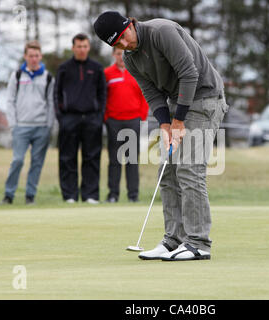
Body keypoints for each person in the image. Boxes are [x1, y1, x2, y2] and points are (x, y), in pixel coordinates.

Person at [94, 11, 229, 261]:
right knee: (166, 170)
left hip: (205, 98)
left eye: (124, 37)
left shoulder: (161, 32)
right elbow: (152, 93)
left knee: (189, 168)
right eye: (117, 44)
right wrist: (166, 124)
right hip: (177, 103)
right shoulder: (131, 59)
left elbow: (189, 74)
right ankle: (174, 240)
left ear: (130, 24)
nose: (125, 44)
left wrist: (178, 120)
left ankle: (198, 243)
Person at [54, 33, 107, 204]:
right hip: (69, 119)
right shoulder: (64, 68)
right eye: (79, 46)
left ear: (88, 47)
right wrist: (61, 118)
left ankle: (90, 195)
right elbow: (56, 95)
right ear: (73, 48)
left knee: (92, 157)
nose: (82, 49)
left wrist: (99, 117)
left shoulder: (97, 68)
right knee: (67, 158)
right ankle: (69, 196)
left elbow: (103, 94)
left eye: (85, 46)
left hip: (92, 119)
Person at [1, 40, 54, 205]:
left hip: (41, 127)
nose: (34, 58)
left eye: (37, 55)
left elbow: (51, 102)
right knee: (17, 160)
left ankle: (30, 196)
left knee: (37, 163)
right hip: (21, 126)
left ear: (41, 56)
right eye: (31, 55)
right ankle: (8, 195)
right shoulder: (16, 75)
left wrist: (49, 125)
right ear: (25, 56)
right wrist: (13, 124)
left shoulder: (48, 77)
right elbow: (9, 100)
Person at [104, 47, 149, 203]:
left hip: (133, 121)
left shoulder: (137, 72)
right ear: (113, 55)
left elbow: (145, 96)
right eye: (118, 53)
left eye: (123, 53)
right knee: (114, 160)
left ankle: (133, 195)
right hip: (113, 121)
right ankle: (113, 195)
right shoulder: (107, 74)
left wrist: (141, 116)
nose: (121, 57)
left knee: (132, 160)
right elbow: (103, 96)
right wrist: (106, 118)